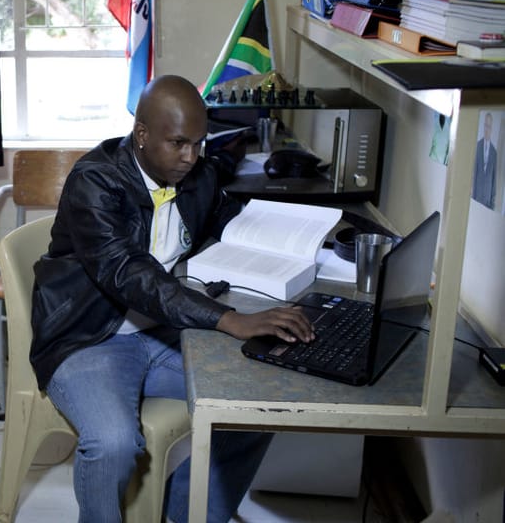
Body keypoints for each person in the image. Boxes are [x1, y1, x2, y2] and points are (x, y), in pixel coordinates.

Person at [30, 75, 314, 523]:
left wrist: (305, 244)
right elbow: (129, 274)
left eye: (199, 144)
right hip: (89, 338)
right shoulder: (95, 182)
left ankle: (187, 515)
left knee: (259, 405)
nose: (190, 157)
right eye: (179, 143)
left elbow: (228, 221)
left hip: (162, 332)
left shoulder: (197, 174)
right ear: (142, 133)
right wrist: (229, 318)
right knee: (113, 443)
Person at [472, 111, 497, 210]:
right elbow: (475, 173)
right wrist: (473, 198)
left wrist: (492, 205)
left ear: (491, 129)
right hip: (476, 198)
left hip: (487, 203)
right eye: (486, 125)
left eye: (489, 126)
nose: (487, 129)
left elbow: (494, 179)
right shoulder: (478, 146)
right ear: (483, 126)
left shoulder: (494, 153)